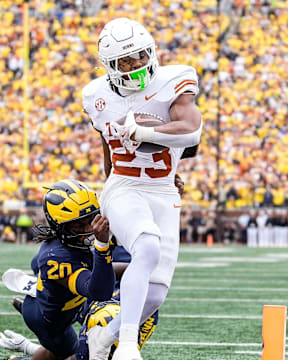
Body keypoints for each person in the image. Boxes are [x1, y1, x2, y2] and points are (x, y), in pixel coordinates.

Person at [82, 17, 202, 360]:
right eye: (126, 60)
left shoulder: (174, 79)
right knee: (146, 246)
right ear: (110, 66)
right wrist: (110, 194)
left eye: (140, 55)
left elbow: (191, 131)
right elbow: (107, 147)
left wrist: (143, 133)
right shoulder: (95, 95)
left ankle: (104, 338)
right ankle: (128, 347)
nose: (136, 64)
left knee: (156, 294)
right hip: (124, 184)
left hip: (164, 190)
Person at [0, 179, 115, 360]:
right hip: (50, 321)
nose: (87, 229)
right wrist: (102, 246)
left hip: (68, 302)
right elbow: (99, 291)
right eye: (78, 225)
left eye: (90, 220)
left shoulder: (63, 245)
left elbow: (36, 263)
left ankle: (37, 291)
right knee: (75, 354)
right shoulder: (57, 257)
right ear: (60, 226)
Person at [0, 245, 159, 360]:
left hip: (101, 303)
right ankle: (48, 289)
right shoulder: (104, 329)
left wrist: (29, 348)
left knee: (67, 344)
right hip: (107, 303)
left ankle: (48, 290)